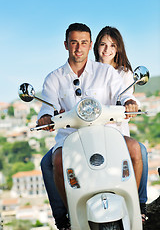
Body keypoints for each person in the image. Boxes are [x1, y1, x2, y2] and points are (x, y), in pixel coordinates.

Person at [38, 23, 146, 229]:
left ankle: (135, 207)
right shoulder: (54, 78)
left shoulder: (105, 71)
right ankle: (69, 216)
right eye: (74, 42)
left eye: (84, 43)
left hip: (107, 133)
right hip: (71, 138)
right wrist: (45, 118)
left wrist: (129, 102)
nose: (79, 48)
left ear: (90, 46)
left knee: (134, 148)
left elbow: (123, 94)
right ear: (66, 45)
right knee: (58, 160)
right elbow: (47, 107)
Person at [93, 26, 148, 222]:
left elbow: (128, 96)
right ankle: (64, 215)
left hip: (116, 132)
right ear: (96, 47)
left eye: (112, 46)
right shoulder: (88, 72)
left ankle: (139, 203)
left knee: (139, 151)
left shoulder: (124, 73)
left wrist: (131, 104)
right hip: (91, 133)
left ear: (118, 49)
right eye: (103, 44)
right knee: (49, 162)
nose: (107, 50)